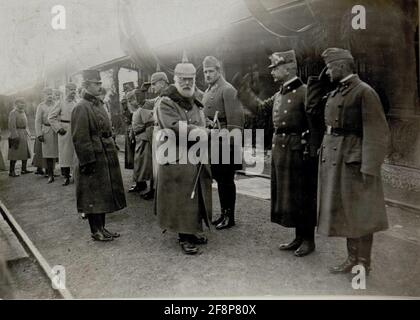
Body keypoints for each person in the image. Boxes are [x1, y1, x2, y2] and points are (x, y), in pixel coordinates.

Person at [317, 48, 390, 275]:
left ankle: (363, 263)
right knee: (348, 211)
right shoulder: (338, 91)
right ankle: (351, 258)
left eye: (329, 67)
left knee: (361, 213)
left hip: (354, 160)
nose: (327, 72)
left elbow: (377, 132)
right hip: (338, 159)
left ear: (341, 66)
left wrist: (369, 167)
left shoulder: (364, 92)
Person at [238, 50, 316, 257]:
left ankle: (308, 239)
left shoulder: (305, 92)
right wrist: (244, 92)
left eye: (276, 67)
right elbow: (261, 110)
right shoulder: (280, 93)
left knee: (302, 196)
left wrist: (310, 150)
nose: (272, 71)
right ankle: (298, 237)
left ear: (289, 67)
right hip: (281, 148)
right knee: (289, 196)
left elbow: (314, 125)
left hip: (298, 150)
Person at [154, 55, 212, 255]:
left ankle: (192, 231)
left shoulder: (194, 100)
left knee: (196, 196)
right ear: (175, 79)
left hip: (195, 155)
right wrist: (203, 132)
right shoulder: (166, 102)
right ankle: (184, 237)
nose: (187, 83)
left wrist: (207, 126)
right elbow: (175, 127)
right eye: (183, 79)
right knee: (182, 197)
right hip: (176, 157)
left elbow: (199, 122)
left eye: (191, 79)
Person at [71, 70, 126, 241]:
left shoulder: (99, 104)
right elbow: (80, 137)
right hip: (92, 157)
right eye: (96, 83)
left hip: (105, 154)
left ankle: (102, 228)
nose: (100, 86)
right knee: (93, 194)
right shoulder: (81, 107)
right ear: (86, 86)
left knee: (102, 194)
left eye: (100, 83)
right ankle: (96, 231)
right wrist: (87, 161)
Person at [201, 56, 244, 230]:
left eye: (211, 71)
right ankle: (223, 213)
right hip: (213, 141)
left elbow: (236, 120)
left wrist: (233, 147)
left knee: (226, 180)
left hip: (225, 142)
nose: (208, 74)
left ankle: (229, 216)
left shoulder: (227, 89)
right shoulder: (209, 91)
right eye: (205, 72)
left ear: (219, 71)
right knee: (219, 179)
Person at [48, 83, 77, 186]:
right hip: (64, 129)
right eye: (71, 90)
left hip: (75, 129)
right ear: (66, 90)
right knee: (65, 154)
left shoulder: (76, 103)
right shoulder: (60, 103)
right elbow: (51, 117)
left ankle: (75, 175)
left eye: (74, 89)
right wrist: (58, 128)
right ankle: (65, 176)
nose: (73, 92)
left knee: (75, 153)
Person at [130, 89, 155, 200]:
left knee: (146, 165)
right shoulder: (137, 110)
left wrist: (150, 140)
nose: (131, 102)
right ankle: (140, 184)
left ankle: (149, 188)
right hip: (140, 138)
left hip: (144, 140)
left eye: (133, 99)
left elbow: (149, 124)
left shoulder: (143, 110)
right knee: (140, 163)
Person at [35, 87, 59, 183]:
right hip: (47, 130)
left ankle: (65, 173)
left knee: (58, 152)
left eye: (51, 94)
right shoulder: (41, 106)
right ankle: (50, 174)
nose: (50, 96)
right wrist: (39, 134)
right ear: (44, 96)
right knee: (48, 154)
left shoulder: (57, 104)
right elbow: (37, 121)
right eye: (47, 94)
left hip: (57, 129)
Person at [7, 97, 32, 177]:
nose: (22, 104)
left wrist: (29, 133)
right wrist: (15, 136)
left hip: (23, 133)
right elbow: (11, 126)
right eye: (20, 103)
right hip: (16, 134)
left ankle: (24, 169)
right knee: (14, 153)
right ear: (16, 104)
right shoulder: (13, 113)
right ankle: (11, 171)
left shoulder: (23, 112)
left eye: (23, 103)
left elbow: (26, 125)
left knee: (25, 152)